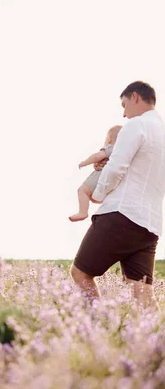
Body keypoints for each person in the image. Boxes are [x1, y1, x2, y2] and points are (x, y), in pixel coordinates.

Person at [70, 81, 165, 311]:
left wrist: (99, 193)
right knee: (142, 293)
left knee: (80, 272)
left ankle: (99, 325)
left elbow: (117, 168)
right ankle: (157, 341)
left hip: (122, 214)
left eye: (124, 105)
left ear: (135, 97)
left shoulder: (136, 125)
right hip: (150, 224)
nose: (123, 113)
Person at [69, 125, 122, 222]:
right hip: (110, 182)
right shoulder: (120, 152)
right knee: (93, 196)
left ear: (109, 139)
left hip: (100, 176)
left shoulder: (110, 148)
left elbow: (98, 156)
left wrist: (85, 162)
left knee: (82, 190)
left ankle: (83, 212)